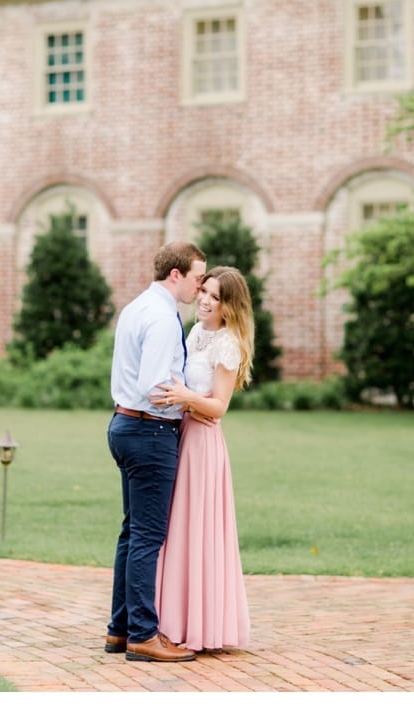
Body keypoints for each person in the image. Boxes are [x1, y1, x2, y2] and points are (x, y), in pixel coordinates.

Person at [106, 240, 207, 663]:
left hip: (124, 424)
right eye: (199, 277)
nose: (201, 287)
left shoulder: (135, 307)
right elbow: (155, 386)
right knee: (148, 536)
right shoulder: (165, 319)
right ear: (176, 275)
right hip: (150, 431)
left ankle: (119, 629)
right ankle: (144, 635)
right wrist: (189, 399)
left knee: (132, 533)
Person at [151, 265, 256, 652]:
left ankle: (201, 625)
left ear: (229, 306)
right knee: (176, 529)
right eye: (204, 292)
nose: (205, 300)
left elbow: (219, 406)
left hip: (204, 444)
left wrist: (185, 398)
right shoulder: (195, 333)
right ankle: (169, 619)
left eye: (215, 297)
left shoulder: (228, 344)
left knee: (197, 529)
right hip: (181, 437)